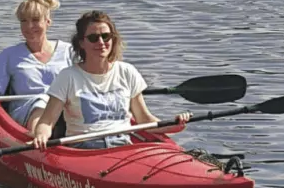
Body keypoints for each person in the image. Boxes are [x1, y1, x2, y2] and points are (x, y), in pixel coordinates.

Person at [31, 11, 188, 149]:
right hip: (84, 146)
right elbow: (47, 121)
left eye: (106, 36)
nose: (101, 42)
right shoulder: (67, 77)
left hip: (122, 145)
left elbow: (144, 120)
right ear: (81, 43)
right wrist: (41, 136)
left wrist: (175, 125)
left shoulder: (127, 71)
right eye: (93, 38)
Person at [0, 0, 74, 125]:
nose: (29, 26)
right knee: (42, 102)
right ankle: (37, 140)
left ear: (48, 22)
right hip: (28, 110)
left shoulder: (69, 51)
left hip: (65, 108)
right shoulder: (9, 55)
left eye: (35, 20)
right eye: (24, 21)